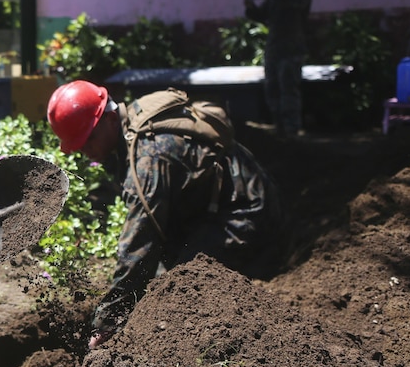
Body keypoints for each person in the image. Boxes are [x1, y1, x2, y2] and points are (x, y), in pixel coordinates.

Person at [47, 80, 281, 350]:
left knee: (179, 286)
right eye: (79, 145)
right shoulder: (130, 122)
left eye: (89, 139)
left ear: (110, 118)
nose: (86, 151)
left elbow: (138, 244)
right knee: (158, 278)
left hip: (246, 212)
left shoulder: (149, 158)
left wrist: (106, 322)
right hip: (217, 202)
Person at [244, 0, 313, 139]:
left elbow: (297, 4)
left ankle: (292, 128)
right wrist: (251, 9)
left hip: (292, 48)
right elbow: (263, 15)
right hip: (274, 48)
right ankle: (279, 126)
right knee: (272, 87)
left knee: (289, 87)